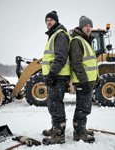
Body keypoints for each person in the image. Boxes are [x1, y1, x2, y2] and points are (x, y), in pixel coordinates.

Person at [42, 11, 71, 145]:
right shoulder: (54, 34)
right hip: (54, 75)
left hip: (57, 76)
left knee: (55, 104)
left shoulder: (60, 35)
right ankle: (55, 129)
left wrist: (52, 74)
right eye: (47, 20)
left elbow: (60, 57)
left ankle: (59, 135)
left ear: (56, 21)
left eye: (51, 20)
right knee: (52, 103)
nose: (49, 22)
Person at [69, 16, 100, 143]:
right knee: (82, 108)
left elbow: (91, 64)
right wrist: (84, 81)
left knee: (85, 107)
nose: (89, 28)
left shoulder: (85, 41)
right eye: (86, 26)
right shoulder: (77, 41)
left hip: (88, 81)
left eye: (90, 26)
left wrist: (96, 79)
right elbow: (76, 63)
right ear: (81, 27)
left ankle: (82, 129)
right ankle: (79, 133)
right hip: (83, 82)